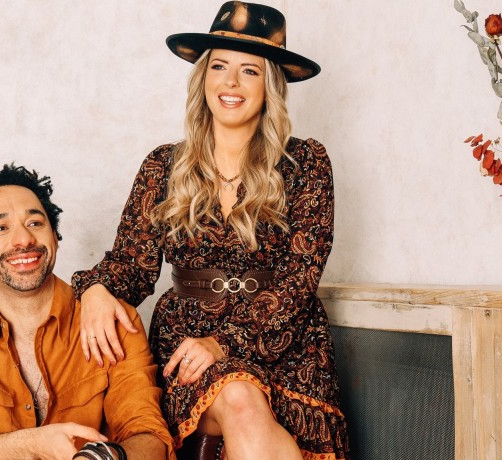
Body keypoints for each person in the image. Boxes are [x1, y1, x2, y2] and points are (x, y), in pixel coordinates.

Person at [72, 2, 349, 459]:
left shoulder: (307, 163)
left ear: (270, 86)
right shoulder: (163, 165)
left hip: (284, 343)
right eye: (219, 66)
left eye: (249, 71)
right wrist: (96, 289)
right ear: (203, 78)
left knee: (245, 400)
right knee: (238, 397)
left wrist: (224, 343)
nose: (231, 82)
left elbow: (301, 276)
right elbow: (133, 267)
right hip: (188, 343)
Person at [0, 164, 174, 460]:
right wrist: (28, 445)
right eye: (1, 228)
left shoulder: (114, 321)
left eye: (35, 223)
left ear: (54, 237)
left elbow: (151, 439)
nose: (24, 239)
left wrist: (101, 457)